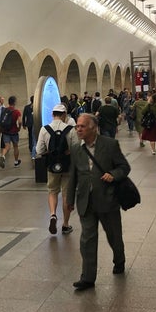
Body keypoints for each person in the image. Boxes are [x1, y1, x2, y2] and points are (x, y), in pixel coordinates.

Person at [66, 114, 131, 290]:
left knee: (114, 236)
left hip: (107, 199)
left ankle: (119, 259)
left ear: (93, 128)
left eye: (82, 126)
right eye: (77, 126)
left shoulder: (110, 145)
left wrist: (113, 175)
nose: (78, 129)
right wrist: (69, 200)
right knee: (87, 240)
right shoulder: (76, 148)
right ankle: (87, 278)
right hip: (85, 201)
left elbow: (124, 167)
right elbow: (73, 176)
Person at [35, 104, 80, 235]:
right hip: (68, 166)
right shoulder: (71, 130)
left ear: (52, 114)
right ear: (64, 115)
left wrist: (50, 151)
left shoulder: (45, 129)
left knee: (52, 191)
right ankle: (65, 224)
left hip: (52, 166)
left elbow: (39, 150)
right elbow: (77, 149)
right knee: (66, 195)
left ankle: (53, 215)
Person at [0, 95, 22, 168]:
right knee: (15, 146)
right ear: (14, 102)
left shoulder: (4, 110)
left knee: (7, 146)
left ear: (9, 102)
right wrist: (19, 128)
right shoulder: (17, 112)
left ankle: (3, 155)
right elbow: (20, 121)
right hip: (14, 131)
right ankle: (16, 162)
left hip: (6, 131)